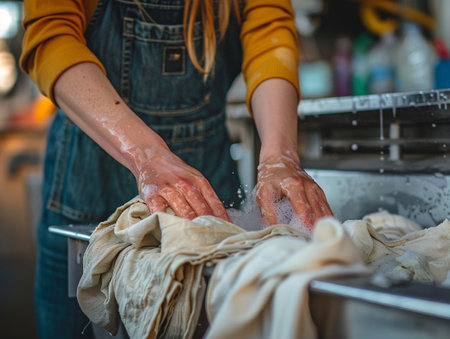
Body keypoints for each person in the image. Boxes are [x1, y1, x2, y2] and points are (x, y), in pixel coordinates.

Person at [20, 0, 333, 337]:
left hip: (206, 190)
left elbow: (269, 32)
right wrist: (145, 156)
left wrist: (279, 156)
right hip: (87, 185)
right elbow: (50, 33)